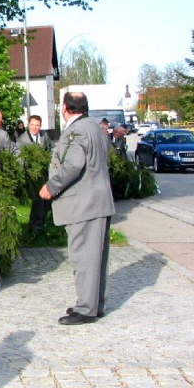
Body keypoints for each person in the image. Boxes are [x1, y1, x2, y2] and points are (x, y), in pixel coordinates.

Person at [39, 92, 116, 325]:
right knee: (95, 257)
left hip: (84, 203)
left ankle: (86, 308)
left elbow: (73, 164)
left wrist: (52, 186)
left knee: (83, 256)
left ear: (64, 108)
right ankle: (93, 304)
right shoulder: (94, 127)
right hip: (96, 201)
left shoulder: (78, 130)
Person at [18, 115, 54, 232]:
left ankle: (42, 223)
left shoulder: (44, 136)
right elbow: (20, 157)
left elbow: (51, 147)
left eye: (37, 125)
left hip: (44, 172)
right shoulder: (22, 140)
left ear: (40, 126)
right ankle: (34, 226)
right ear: (28, 124)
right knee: (38, 200)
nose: (34, 127)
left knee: (46, 200)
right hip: (32, 174)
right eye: (32, 125)